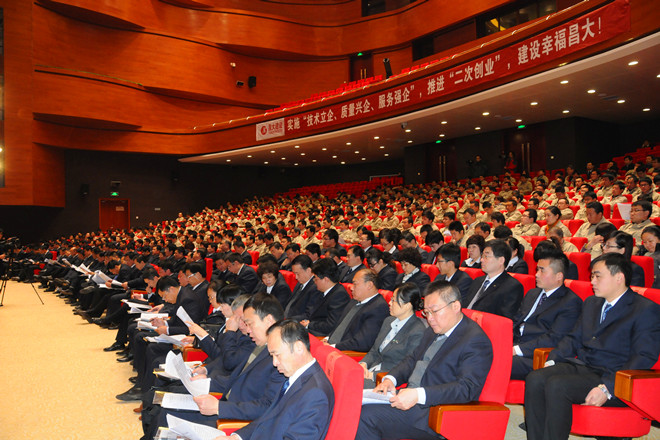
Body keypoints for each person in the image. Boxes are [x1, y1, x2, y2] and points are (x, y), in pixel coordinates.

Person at [524, 253, 660, 440]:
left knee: (557, 385)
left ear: (619, 277)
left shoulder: (644, 309)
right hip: (584, 366)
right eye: (592, 276)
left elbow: (643, 356)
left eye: (597, 276)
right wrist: (553, 359)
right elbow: (574, 338)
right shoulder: (592, 303)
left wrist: (607, 388)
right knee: (535, 378)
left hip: (614, 375)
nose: (592, 282)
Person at [356, 280, 493, 440]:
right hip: (409, 396)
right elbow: (413, 359)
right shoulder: (434, 329)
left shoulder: (475, 340)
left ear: (455, 306)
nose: (430, 319)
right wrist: (391, 379)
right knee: (354, 402)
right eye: (426, 313)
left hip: (433, 412)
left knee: (364, 415)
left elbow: (466, 388)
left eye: (434, 311)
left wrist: (418, 395)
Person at [213, 320, 334, 440]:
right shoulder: (294, 377)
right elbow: (268, 417)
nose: (275, 363)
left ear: (299, 348)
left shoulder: (315, 394)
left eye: (277, 355)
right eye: (272, 356)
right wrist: (236, 437)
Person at [511, 248, 582, 380]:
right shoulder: (532, 293)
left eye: (542, 270)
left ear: (559, 276)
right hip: (514, 345)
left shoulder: (570, 302)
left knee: (495, 361)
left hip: (536, 355)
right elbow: (515, 322)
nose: (536, 274)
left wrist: (516, 350)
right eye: (537, 269)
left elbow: (553, 338)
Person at [359, 283, 426, 388]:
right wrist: (364, 364)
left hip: (385, 379)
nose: (389, 303)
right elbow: (374, 350)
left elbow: (406, 366)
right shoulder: (388, 321)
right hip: (371, 370)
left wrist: (374, 376)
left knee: (348, 385)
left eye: (393, 300)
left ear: (407, 306)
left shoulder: (417, 331)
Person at [326, 269, 389, 351]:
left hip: (345, 352)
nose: (352, 288)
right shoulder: (354, 301)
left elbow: (362, 343)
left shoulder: (378, 308)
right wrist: (328, 338)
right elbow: (340, 325)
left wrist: (333, 346)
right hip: (331, 345)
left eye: (355, 284)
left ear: (369, 285)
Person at [462, 239, 524, 319]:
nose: (481, 260)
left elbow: (503, 320)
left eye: (486, 256)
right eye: (482, 256)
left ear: (501, 260)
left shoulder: (512, 287)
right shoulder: (477, 281)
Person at [300, 258, 351, 336]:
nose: (314, 282)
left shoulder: (339, 295)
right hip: (313, 328)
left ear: (326, 279)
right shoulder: (322, 291)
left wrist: (309, 325)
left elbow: (331, 325)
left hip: (322, 335)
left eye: (316, 279)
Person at [284, 255, 321, 320]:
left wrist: (288, 320)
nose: (296, 277)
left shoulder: (316, 287)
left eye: (298, 274)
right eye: (294, 274)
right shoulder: (300, 282)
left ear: (308, 270)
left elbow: (308, 315)